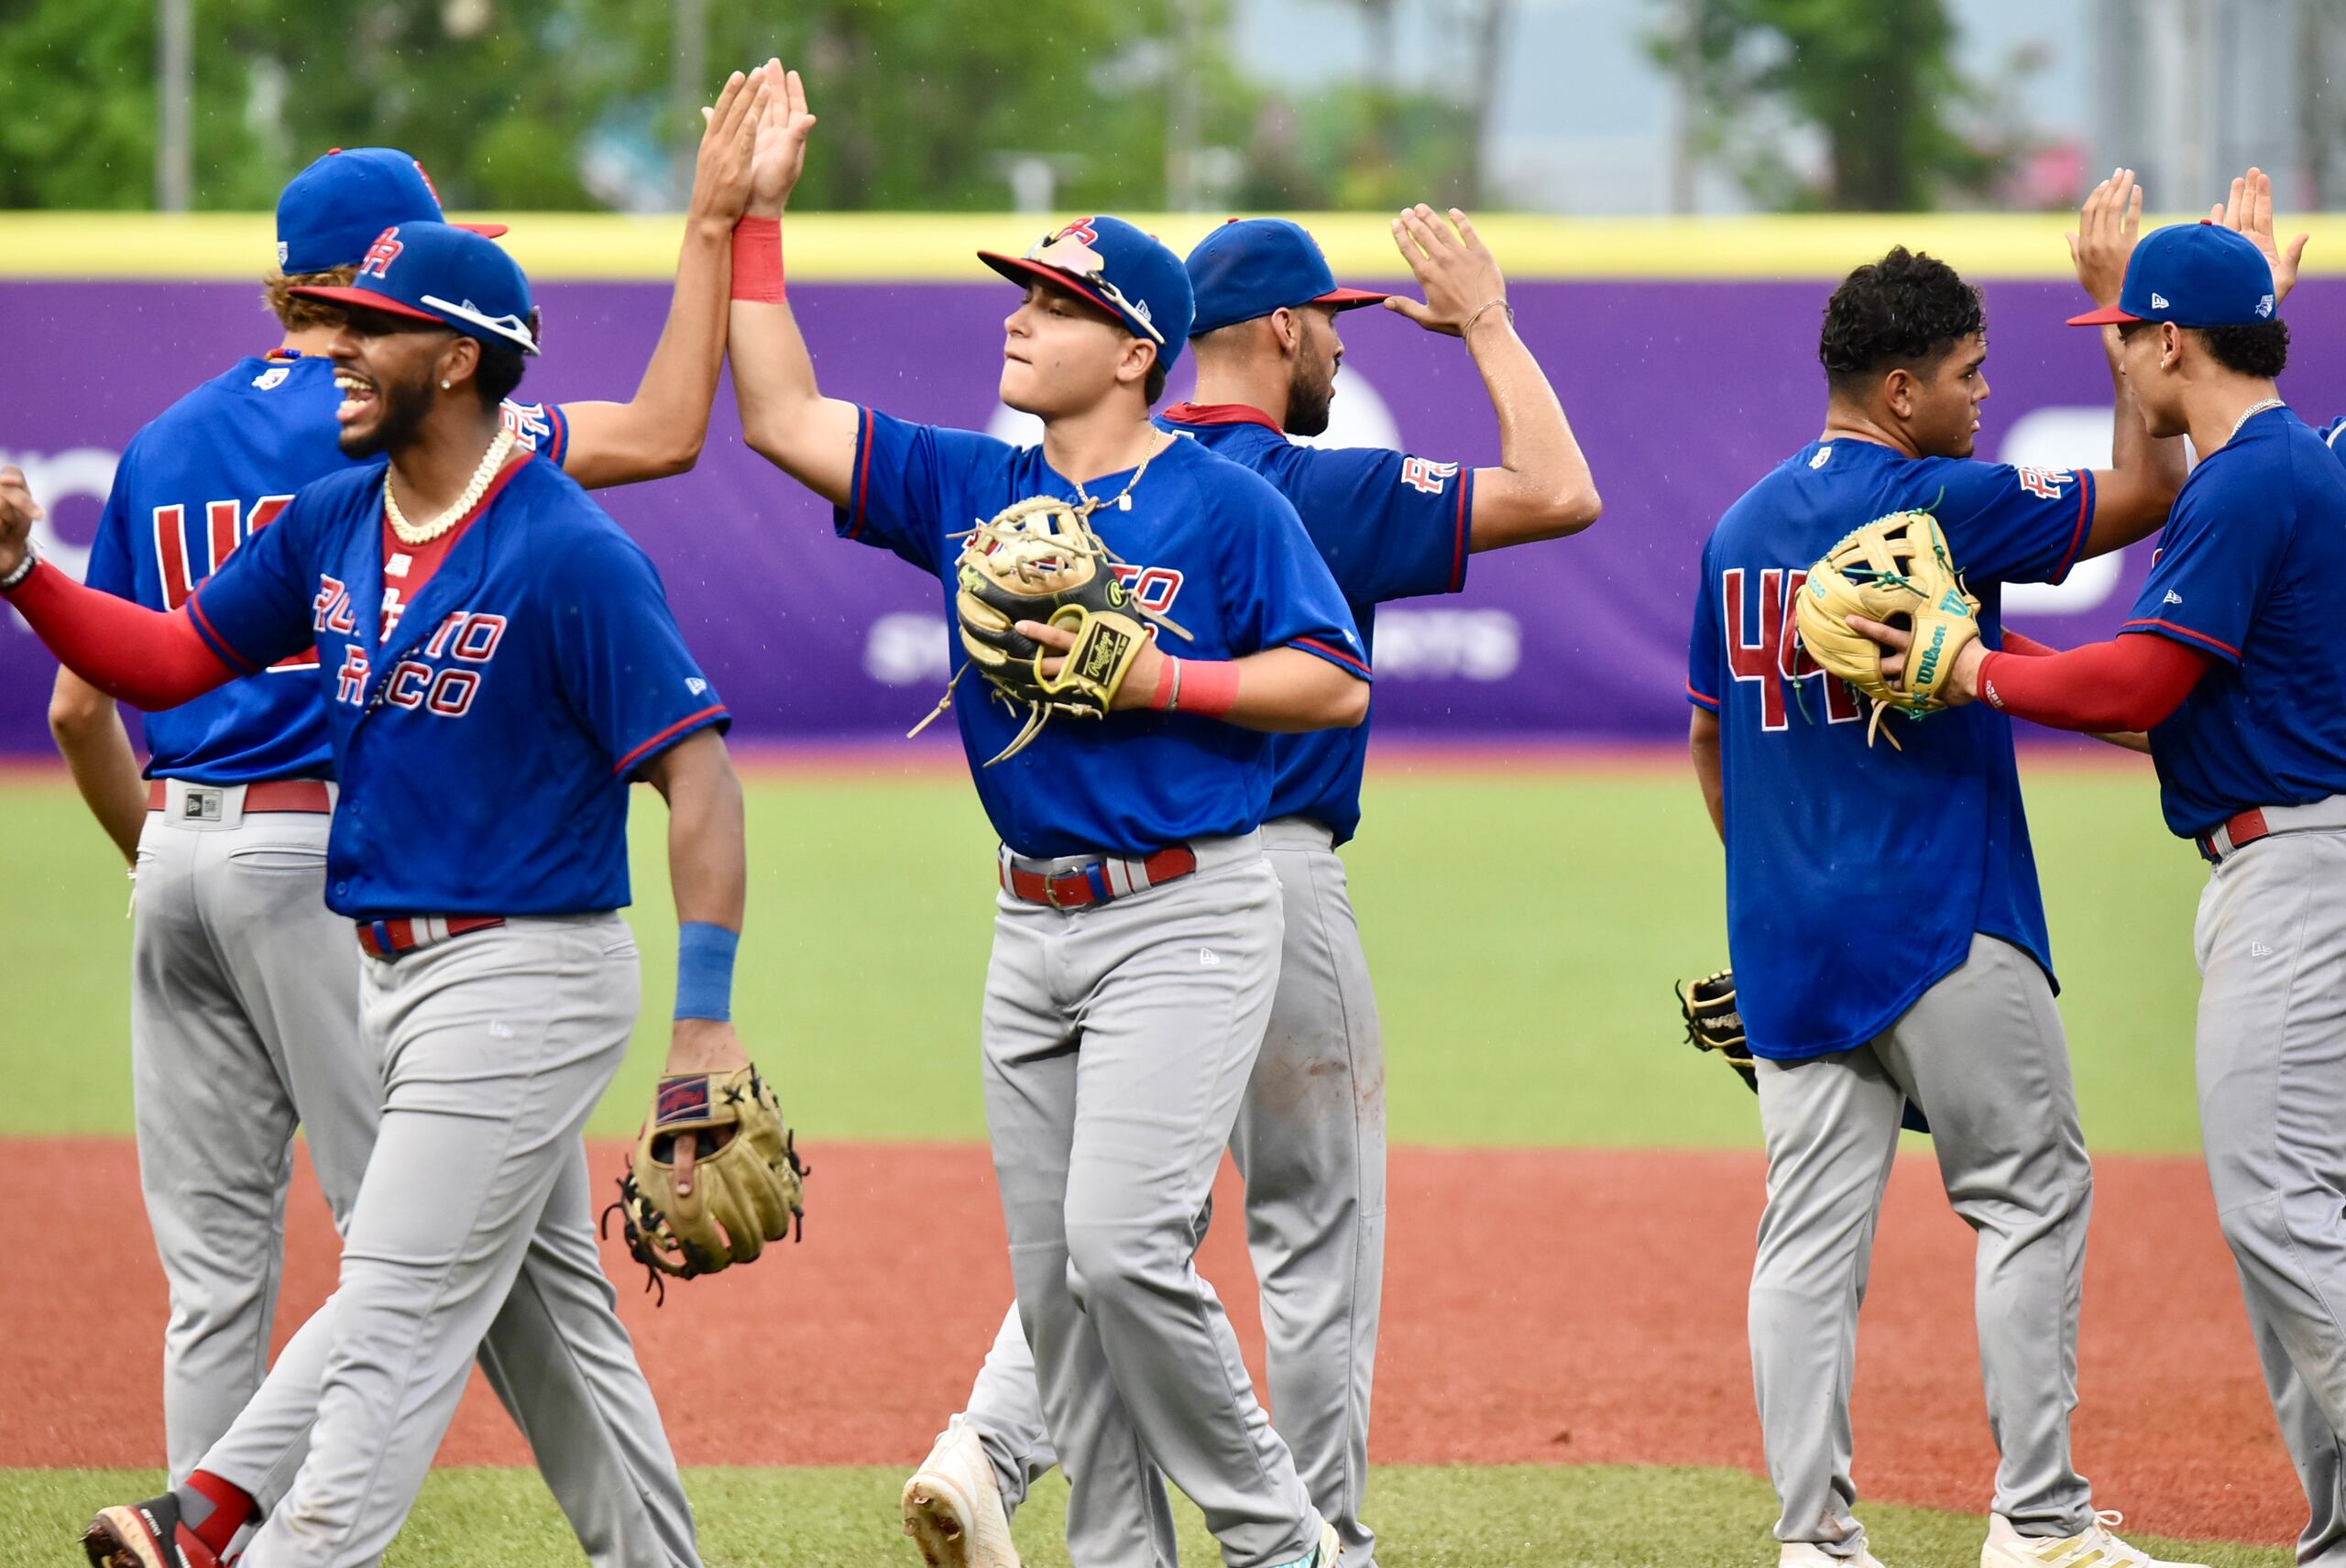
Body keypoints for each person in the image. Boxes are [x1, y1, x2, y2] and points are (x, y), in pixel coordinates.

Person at [46, 72, 762, 1535]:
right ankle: (220, 1521)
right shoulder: (360, 474)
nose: (353, 348)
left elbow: (93, 700)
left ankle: (206, 1516)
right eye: (358, 306)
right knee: (471, 1279)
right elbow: (668, 426)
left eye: (383, 318)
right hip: (342, 882)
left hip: (262, 872)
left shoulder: (194, 442)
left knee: (314, 1280)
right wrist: (712, 230)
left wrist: (161, 851)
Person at [726, 64, 1365, 1568]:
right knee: (1061, 1298)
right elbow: (780, 414)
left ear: (1137, 351)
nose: (1020, 316)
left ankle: (1283, 1543)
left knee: (1126, 1252)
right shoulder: (973, 485)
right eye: (1021, 292)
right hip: (1029, 922)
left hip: (1185, 910)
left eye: (1059, 301)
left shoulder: (1226, 503)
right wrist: (754, 223)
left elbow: (1332, 684)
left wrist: (1163, 677)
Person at [902, 208, 1600, 1568]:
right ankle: (1318, 1534)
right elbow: (1561, 489)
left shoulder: (1100, 477)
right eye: (1328, 319)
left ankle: (987, 1447)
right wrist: (1486, 323)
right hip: (1248, 876)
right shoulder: (1298, 490)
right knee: (1306, 1220)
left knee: (1121, 1224)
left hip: (1081, 882)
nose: (1338, 343)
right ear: (1285, 328)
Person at [1684, 171, 2198, 1568]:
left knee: (1807, 1241)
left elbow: (1711, 742)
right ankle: (2039, 1522)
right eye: (1969, 374)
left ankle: (1814, 1541)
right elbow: (2151, 487)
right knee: (2030, 1193)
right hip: (1941, 916)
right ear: (1902, 391)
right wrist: (2120, 325)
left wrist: (1784, 890)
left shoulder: (1737, 531)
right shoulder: (1938, 501)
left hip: (1790, 939)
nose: (1983, 397)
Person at [1853, 203, 2346, 1568]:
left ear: (2172, 343)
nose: (2115, 357)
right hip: (2291, 851)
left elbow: (2133, 684)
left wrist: (1967, 668)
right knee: (2302, 1217)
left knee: (2279, 1210)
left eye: (2125, 335)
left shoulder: (2251, 483)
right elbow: (2171, 705)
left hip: (2300, 874)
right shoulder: (2290, 465)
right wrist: (1980, 646)